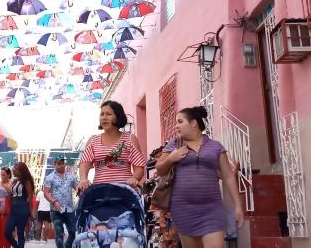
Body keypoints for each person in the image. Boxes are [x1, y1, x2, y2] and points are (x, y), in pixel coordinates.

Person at [154, 107, 244, 248]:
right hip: (183, 209)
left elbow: (228, 177)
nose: (176, 126)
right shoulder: (174, 145)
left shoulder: (215, 147)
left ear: (193, 123)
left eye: (180, 121)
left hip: (211, 209)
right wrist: (171, 158)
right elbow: (160, 170)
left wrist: (238, 206)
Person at [78, 101, 146, 193]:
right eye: (102, 114)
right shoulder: (93, 141)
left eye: (109, 114)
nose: (104, 118)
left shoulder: (130, 139)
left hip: (125, 191)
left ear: (118, 116)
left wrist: (134, 178)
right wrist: (83, 179)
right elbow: (84, 164)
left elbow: (139, 168)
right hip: (99, 192)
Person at [43, 157, 78, 248]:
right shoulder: (49, 177)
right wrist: (54, 202)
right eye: (59, 163)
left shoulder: (70, 176)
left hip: (69, 209)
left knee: (73, 232)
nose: (62, 165)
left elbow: (77, 188)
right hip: (56, 210)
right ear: (54, 165)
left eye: (63, 163)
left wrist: (81, 192)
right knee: (59, 233)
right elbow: (46, 193)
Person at [5, 162, 35, 248]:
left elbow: (30, 197)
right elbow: (10, 193)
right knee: (7, 232)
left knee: (20, 233)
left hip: (23, 209)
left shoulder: (27, 182)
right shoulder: (15, 181)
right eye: (13, 170)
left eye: (15, 170)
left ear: (21, 171)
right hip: (13, 209)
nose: (13, 171)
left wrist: (31, 212)